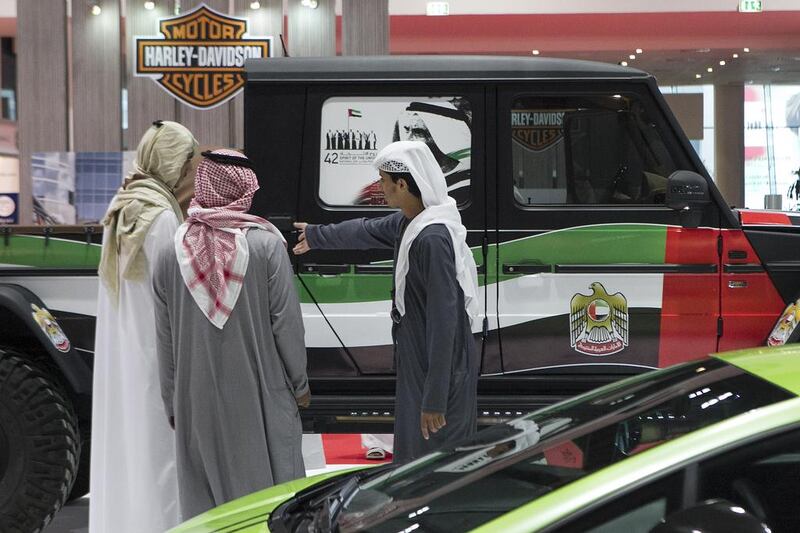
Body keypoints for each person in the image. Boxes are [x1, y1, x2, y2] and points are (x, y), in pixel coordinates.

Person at [295, 140, 480, 463]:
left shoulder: (432, 239)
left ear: (403, 184)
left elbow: (444, 322)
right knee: (415, 450)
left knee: (435, 457)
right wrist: (315, 235)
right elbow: (365, 230)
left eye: (383, 180)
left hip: (436, 361)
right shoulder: (411, 223)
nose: (379, 187)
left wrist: (434, 397)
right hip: (418, 353)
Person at [152, 149, 310, 519]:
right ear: (244, 190)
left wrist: (173, 401)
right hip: (262, 396)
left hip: (195, 400)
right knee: (269, 502)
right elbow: (286, 323)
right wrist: (299, 385)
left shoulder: (169, 252)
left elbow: (165, 339)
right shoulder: (267, 246)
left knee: (206, 508)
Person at [90, 120, 198, 533]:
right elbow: (174, 302)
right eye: (188, 164)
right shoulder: (162, 219)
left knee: (125, 448)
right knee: (158, 458)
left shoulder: (122, 206)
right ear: (175, 165)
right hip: (154, 360)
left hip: (123, 356)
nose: (192, 174)